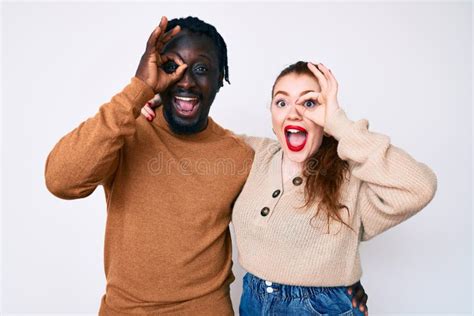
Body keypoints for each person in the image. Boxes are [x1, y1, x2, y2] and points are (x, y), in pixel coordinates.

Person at [46, 14, 368, 314]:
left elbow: (295, 213)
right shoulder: (124, 133)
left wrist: (341, 286)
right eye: (172, 66)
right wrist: (137, 90)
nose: (185, 81)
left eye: (201, 69)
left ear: (219, 80)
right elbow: (61, 181)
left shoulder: (240, 155)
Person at [143, 60, 437, 315]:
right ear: (272, 116)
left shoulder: (352, 174)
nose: (293, 113)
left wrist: (340, 123)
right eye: (282, 102)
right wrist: (162, 107)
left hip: (321, 308)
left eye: (310, 103)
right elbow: (198, 136)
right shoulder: (252, 155)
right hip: (253, 301)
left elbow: (419, 187)